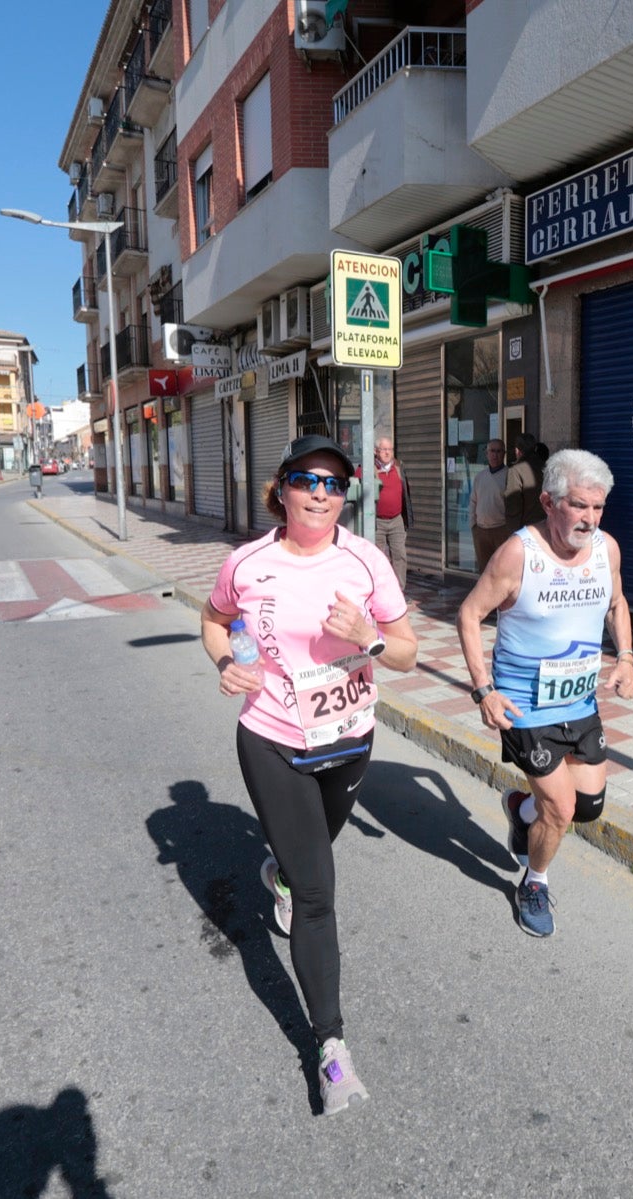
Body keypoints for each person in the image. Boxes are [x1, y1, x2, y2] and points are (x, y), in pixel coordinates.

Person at [199, 433, 418, 1114]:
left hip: (348, 740)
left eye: (333, 482)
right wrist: (225, 661)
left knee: (311, 856)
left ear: (345, 495)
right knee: (320, 892)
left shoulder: (366, 560)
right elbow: (214, 618)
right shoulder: (248, 562)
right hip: (271, 737)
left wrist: (368, 637)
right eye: (307, 480)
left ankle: (283, 870)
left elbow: (406, 650)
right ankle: (331, 1048)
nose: (321, 493)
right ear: (283, 488)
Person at [456, 448, 633, 938]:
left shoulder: (607, 549)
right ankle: (534, 883)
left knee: (589, 807)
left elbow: (617, 603)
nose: (590, 519)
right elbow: (469, 615)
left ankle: (521, 809)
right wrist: (484, 691)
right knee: (560, 809)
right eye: (580, 506)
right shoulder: (520, 553)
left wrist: (625, 659)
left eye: (598, 508)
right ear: (549, 501)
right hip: (525, 704)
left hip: (580, 700)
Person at [370, 435, 412, 591]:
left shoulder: (399, 467)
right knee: (377, 558)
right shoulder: (367, 468)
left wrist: (407, 518)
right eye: (384, 449)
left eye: (390, 449)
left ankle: (399, 591)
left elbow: (406, 492)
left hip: (396, 520)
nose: (387, 453)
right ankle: (377, 591)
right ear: (376, 451)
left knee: (400, 556)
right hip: (376, 522)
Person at [467, 438, 509, 571]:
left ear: (504, 453)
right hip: (481, 531)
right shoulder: (480, 476)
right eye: (492, 451)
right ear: (486, 454)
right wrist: (473, 526)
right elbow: (473, 502)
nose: (495, 455)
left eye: (498, 451)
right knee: (484, 571)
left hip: (501, 530)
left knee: (501, 570)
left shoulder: (510, 475)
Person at [502, 434, 549, 530]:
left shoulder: (516, 470)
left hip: (527, 529)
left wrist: (513, 533)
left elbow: (513, 504)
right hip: (547, 525)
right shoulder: (548, 467)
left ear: (517, 451)